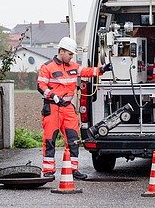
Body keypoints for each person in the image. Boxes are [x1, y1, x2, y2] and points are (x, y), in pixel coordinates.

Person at [37, 37, 112, 180]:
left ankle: (73, 170)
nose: (71, 57)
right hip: (52, 108)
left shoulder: (73, 66)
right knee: (49, 139)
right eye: (70, 54)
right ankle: (48, 170)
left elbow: (87, 71)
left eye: (72, 55)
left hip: (67, 108)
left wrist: (102, 69)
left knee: (73, 140)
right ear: (61, 51)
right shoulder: (47, 67)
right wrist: (53, 96)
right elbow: (41, 86)